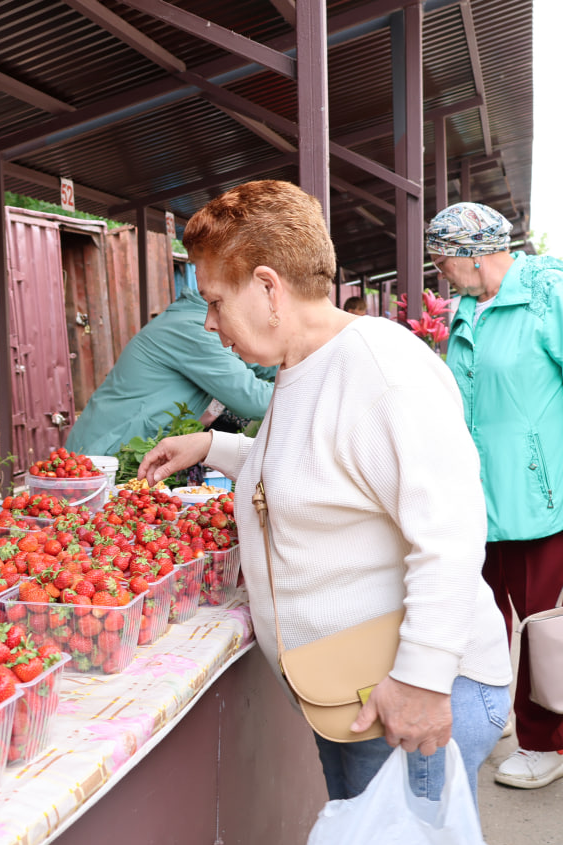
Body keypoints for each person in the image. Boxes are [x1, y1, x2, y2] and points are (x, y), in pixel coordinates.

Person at [138, 180, 511, 809]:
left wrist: (420, 681)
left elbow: (450, 535)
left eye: (215, 301)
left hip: (407, 690)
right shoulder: (302, 363)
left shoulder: (382, 368)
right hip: (352, 688)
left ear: (266, 287)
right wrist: (215, 450)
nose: (208, 322)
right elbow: (319, 468)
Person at [426, 201, 563, 789]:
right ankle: (497, 713)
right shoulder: (466, 311)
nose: (439, 273)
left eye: (442, 262)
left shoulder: (546, 295)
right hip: (476, 502)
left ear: (474, 256)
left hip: (539, 498)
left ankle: (545, 742)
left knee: (542, 626)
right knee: (484, 618)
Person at [65, 265, 275, 456]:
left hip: (120, 448)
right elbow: (253, 401)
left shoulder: (199, 320)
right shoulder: (195, 329)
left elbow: (261, 359)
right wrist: (305, 390)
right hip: (105, 452)